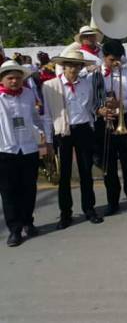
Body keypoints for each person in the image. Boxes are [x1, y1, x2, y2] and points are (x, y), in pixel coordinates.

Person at [42, 49, 103, 228]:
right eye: (70, 65)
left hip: (83, 129)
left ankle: (89, 209)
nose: (73, 69)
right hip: (63, 133)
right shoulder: (50, 86)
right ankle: (65, 214)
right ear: (63, 66)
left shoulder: (86, 84)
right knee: (65, 175)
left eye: (77, 66)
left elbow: (91, 106)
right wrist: (48, 140)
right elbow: (47, 115)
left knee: (86, 172)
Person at [0, 60, 51, 247]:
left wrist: (41, 134)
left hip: (28, 148)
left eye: (17, 78)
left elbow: (35, 117)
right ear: (2, 80)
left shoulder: (29, 94)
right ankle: (14, 229)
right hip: (6, 149)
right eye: (10, 78)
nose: (14, 81)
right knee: (8, 192)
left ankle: (28, 222)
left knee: (29, 188)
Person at [95, 40, 127, 215]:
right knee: (109, 165)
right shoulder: (96, 76)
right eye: (112, 59)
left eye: (118, 58)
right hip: (104, 123)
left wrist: (120, 104)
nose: (115, 62)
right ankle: (113, 201)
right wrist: (101, 110)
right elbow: (91, 100)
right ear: (104, 58)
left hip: (124, 120)